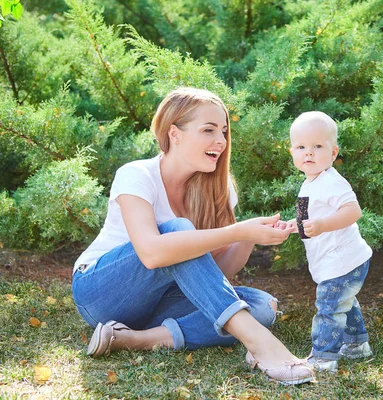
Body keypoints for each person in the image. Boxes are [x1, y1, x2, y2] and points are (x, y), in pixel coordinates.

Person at [71, 87, 314, 385]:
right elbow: (152, 253)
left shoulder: (219, 189)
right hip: (101, 293)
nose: (221, 141)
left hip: (160, 301)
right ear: (175, 134)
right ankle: (262, 345)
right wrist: (237, 230)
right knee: (179, 231)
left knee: (263, 306)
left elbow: (216, 274)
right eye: (208, 130)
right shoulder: (136, 175)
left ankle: (136, 339)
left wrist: (249, 236)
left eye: (223, 131)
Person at [286, 111, 374, 372]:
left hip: (343, 260)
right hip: (333, 261)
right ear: (292, 153)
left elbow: (352, 211)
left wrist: (323, 225)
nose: (308, 153)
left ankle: (324, 357)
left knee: (329, 307)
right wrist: (295, 225)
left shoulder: (332, 182)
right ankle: (358, 344)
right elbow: (310, 219)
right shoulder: (309, 183)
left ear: (333, 153)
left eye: (317, 146)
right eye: (301, 147)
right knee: (344, 302)